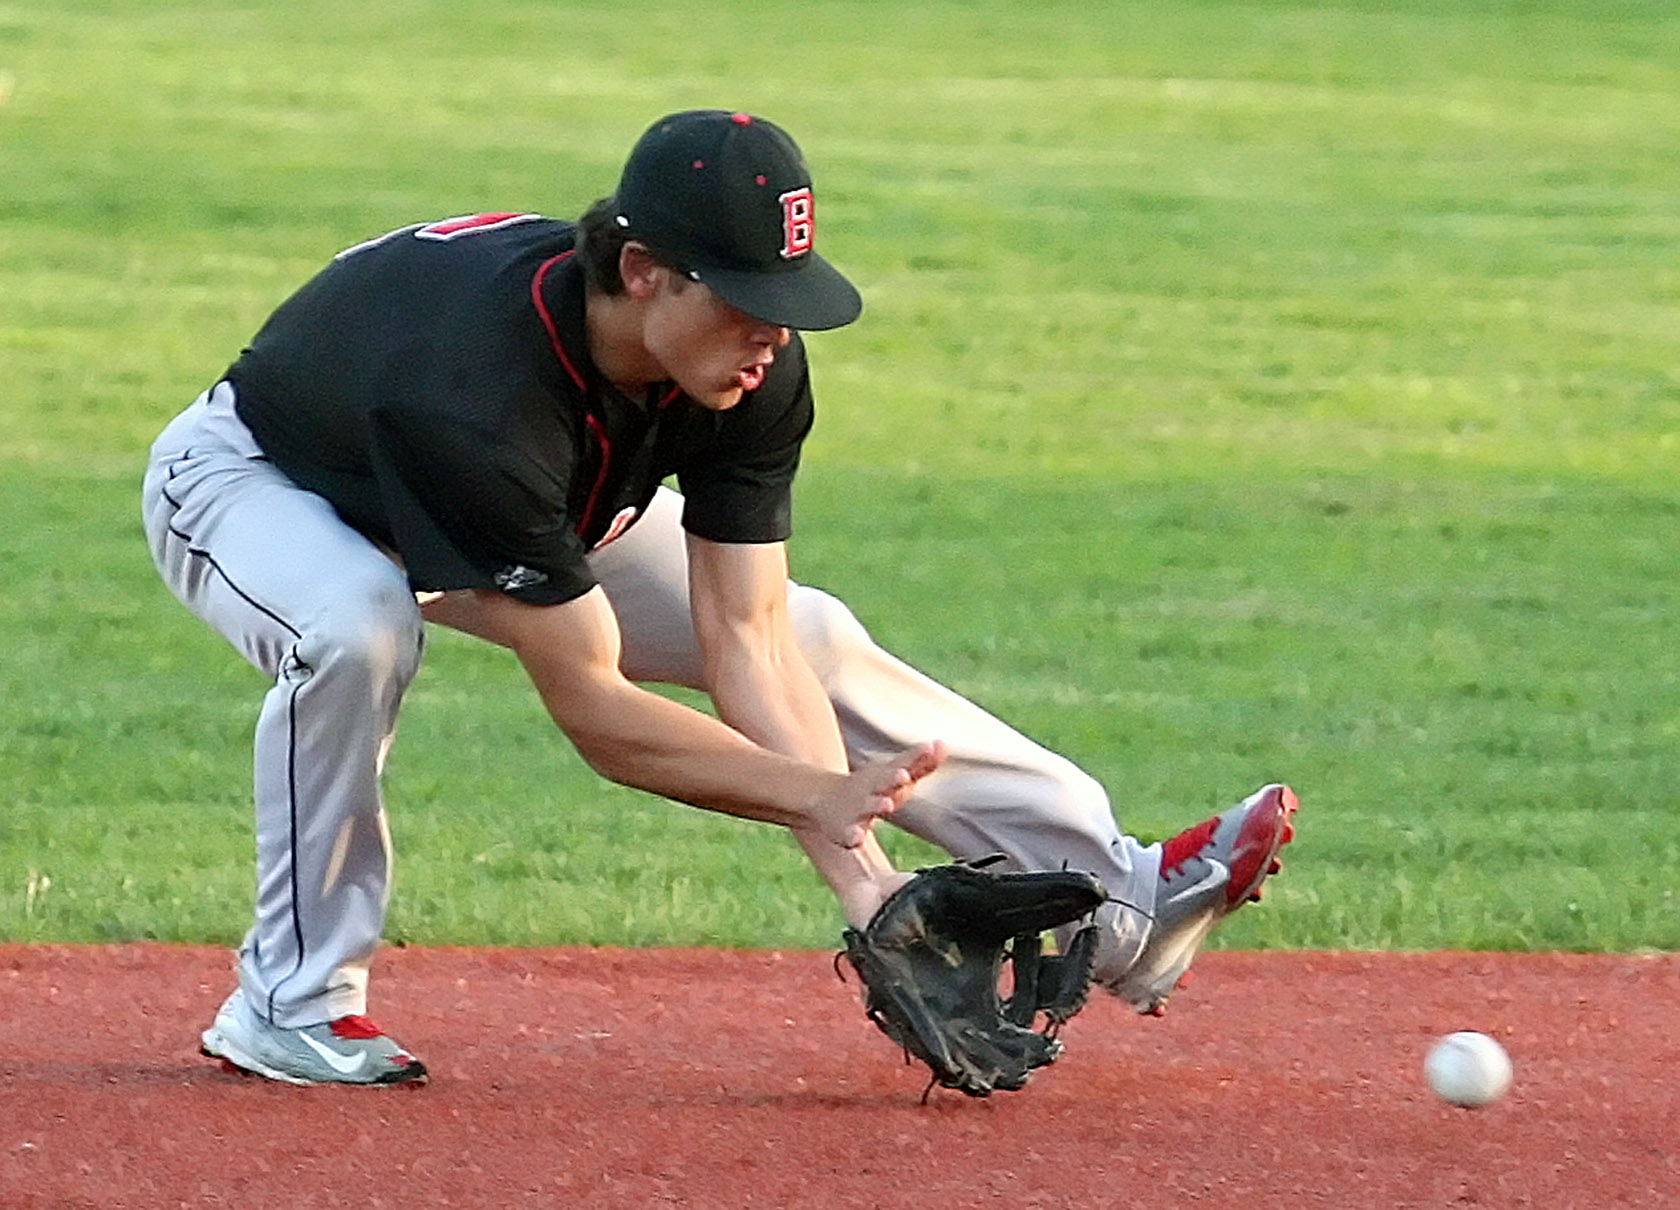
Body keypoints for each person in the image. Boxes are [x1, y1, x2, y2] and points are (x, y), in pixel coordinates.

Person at [141, 109, 1298, 1087]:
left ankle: (1121, 898)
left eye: (784, 294)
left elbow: (743, 634)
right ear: (642, 270)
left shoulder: (745, 364)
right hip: (266, 485)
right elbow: (597, 713)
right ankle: (289, 1000)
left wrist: (868, 882)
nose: (772, 330)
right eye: (745, 296)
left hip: (532, 500)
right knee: (358, 627)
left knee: (809, 631)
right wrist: (816, 793)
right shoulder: (477, 403)